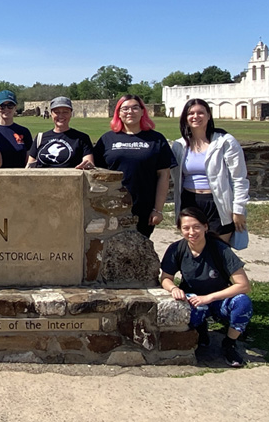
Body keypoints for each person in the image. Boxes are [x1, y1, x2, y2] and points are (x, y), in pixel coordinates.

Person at [160, 207, 253, 367]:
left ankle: (229, 344)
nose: (191, 232)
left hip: (218, 300)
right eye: (186, 228)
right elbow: (165, 278)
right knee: (186, 311)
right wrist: (173, 288)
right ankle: (199, 330)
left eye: (196, 227)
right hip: (193, 299)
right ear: (180, 229)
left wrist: (210, 297)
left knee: (243, 303)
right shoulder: (177, 249)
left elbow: (243, 285)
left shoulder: (220, 249)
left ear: (205, 226)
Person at [93, 94, 176, 238]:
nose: (130, 112)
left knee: (140, 250)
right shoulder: (107, 139)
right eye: (124, 109)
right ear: (118, 113)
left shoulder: (156, 139)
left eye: (135, 108)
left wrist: (158, 210)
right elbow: (96, 173)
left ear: (143, 111)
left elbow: (163, 175)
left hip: (143, 207)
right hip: (113, 207)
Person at [171, 98, 249, 243]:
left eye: (201, 112)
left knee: (219, 250)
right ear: (185, 118)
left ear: (208, 115)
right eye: (191, 113)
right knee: (195, 248)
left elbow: (239, 178)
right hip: (190, 201)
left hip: (217, 202)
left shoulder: (225, 142)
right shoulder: (179, 145)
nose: (195, 116)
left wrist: (238, 209)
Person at [27, 96, 94, 169]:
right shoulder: (40, 138)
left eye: (65, 112)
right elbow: (30, 166)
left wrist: (87, 165)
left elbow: (88, 162)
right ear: (51, 114)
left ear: (70, 114)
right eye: (57, 112)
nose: (61, 116)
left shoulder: (82, 138)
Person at [0, 90, 32, 168]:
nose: (6, 109)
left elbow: (29, 160)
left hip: (20, 176)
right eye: (2, 105)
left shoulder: (24, 131)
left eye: (10, 105)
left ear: (15, 107)